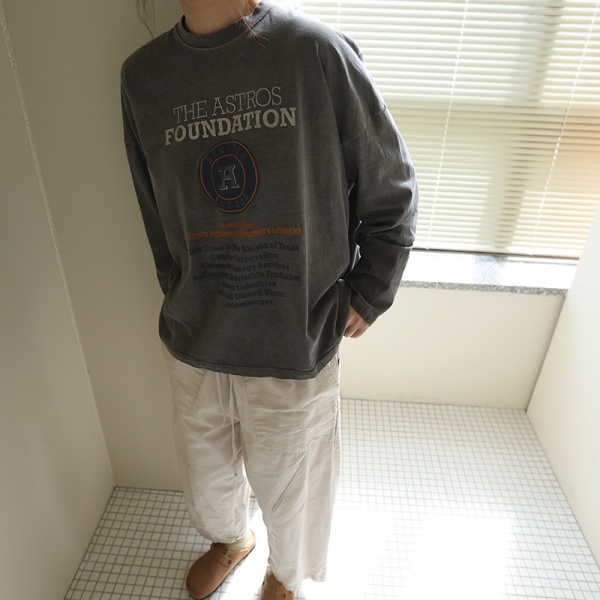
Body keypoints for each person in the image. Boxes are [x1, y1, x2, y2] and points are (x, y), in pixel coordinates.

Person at [121, 1, 418, 598]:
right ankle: (231, 539)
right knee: (205, 470)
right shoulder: (142, 76)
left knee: (292, 480)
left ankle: (285, 576)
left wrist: (370, 289)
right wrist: (177, 288)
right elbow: (154, 208)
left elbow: (390, 184)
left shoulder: (314, 51)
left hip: (293, 333)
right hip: (195, 332)